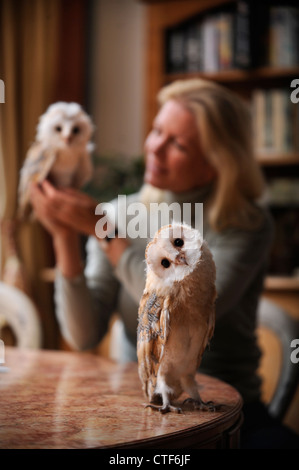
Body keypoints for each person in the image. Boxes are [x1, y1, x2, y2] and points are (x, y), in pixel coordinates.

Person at [30, 78, 299, 448]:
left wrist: (107, 237)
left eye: (178, 144)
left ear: (215, 163)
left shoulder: (245, 224)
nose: (155, 148)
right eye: (157, 131)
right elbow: (83, 334)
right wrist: (63, 234)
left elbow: (191, 302)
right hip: (141, 402)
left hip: (225, 410)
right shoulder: (120, 213)